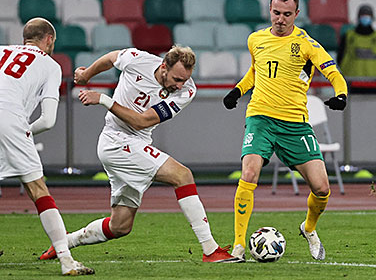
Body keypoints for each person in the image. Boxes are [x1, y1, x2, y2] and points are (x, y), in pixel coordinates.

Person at [39, 45, 240, 263]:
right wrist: (87, 75)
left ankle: (65, 242)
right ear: (164, 67)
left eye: (185, 79)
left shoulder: (187, 91)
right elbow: (111, 58)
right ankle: (210, 249)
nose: (180, 85)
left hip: (137, 141)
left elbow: (141, 120)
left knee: (120, 226)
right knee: (183, 176)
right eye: (177, 78)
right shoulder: (137, 59)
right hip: (116, 140)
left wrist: (104, 100)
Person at [222, 0, 348, 262]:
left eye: (287, 14)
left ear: (297, 14)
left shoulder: (307, 44)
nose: (280, 19)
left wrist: (341, 94)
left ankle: (309, 228)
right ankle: (239, 246)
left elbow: (333, 72)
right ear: (270, 10)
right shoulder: (256, 39)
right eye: (276, 13)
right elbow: (256, 71)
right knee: (249, 173)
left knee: (322, 189)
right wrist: (238, 90)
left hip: (295, 125)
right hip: (261, 118)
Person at [0, 18, 94, 276]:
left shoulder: (2, 50)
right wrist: (25, 131)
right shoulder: (51, 65)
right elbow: (48, 120)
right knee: (37, 189)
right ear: (49, 39)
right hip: (11, 119)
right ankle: (66, 261)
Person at [337, 4, 376, 94]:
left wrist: (374, 72)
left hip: (373, 82)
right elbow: (340, 58)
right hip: (352, 82)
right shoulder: (348, 36)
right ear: (358, 17)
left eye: (368, 16)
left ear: (372, 18)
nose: (365, 18)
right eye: (363, 16)